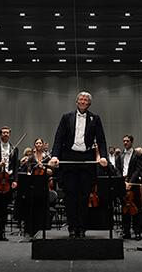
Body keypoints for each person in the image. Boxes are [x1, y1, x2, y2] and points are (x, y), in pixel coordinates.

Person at [49, 91, 108, 238]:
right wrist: (55, 156)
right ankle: (72, 227)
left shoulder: (95, 118)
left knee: (84, 196)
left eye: (85, 100)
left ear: (89, 103)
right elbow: (58, 137)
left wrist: (104, 157)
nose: (82, 102)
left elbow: (101, 139)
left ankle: (81, 228)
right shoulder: (66, 117)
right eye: (80, 99)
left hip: (87, 159)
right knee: (70, 195)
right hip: (69, 158)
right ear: (76, 102)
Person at [115, 135, 142, 239]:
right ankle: (126, 231)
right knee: (124, 209)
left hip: (134, 183)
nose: (125, 143)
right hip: (123, 183)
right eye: (124, 141)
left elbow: (138, 169)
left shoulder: (138, 155)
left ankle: (137, 232)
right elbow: (117, 169)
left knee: (136, 208)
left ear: (132, 142)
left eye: (127, 141)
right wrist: (122, 181)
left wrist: (130, 182)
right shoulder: (120, 155)